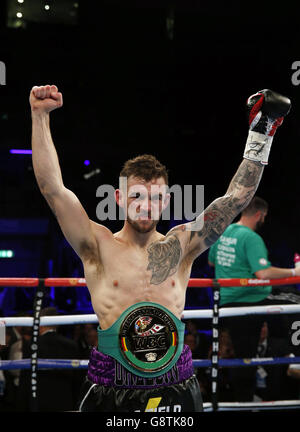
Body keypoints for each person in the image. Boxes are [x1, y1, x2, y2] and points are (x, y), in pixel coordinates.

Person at [29, 84, 295, 412]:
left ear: (166, 202)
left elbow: (236, 199)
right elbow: (52, 189)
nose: (146, 206)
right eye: (137, 196)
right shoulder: (96, 245)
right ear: (119, 199)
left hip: (175, 387)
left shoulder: (181, 245)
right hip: (111, 389)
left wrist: (262, 132)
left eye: (155, 198)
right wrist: (40, 116)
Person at [208, 196, 300, 401]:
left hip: (229, 302)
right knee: (293, 302)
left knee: (245, 355)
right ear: (259, 214)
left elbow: (212, 262)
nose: (264, 220)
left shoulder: (224, 232)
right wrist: (295, 272)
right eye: (264, 217)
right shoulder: (250, 237)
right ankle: (291, 360)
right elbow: (264, 274)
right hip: (250, 301)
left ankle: (288, 360)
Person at [17, 307, 79, 412]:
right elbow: (77, 378)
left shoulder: (32, 344)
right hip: (64, 400)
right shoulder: (71, 345)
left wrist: (21, 404)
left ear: (40, 324)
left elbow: (25, 377)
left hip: (38, 400)